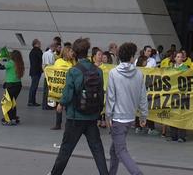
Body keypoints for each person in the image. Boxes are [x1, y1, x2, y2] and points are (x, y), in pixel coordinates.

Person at [50, 37, 108, 175]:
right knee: (97, 149)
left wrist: (61, 104)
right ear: (88, 52)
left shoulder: (74, 71)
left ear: (75, 53)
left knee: (66, 149)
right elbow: (100, 92)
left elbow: (68, 93)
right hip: (92, 116)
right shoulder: (97, 70)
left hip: (75, 117)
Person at [106, 42, 148, 175]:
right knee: (115, 150)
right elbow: (143, 97)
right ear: (131, 57)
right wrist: (143, 115)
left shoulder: (113, 73)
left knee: (120, 150)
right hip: (130, 117)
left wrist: (108, 116)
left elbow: (110, 97)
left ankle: (137, 173)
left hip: (117, 117)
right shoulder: (139, 74)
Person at [3, 49, 24, 124]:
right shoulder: (19, 63)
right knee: (13, 102)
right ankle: (14, 117)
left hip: (10, 85)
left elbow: (1, 67)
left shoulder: (10, 63)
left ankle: (8, 119)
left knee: (8, 103)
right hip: (18, 85)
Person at [42, 38, 62, 109]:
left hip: (45, 74)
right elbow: (53, 65)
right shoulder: (52, 55)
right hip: (50, 75)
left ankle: (44, 105)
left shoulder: (44, 53)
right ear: (53, 47)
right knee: (50, 91)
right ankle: (48, 105)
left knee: (45, 91)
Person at [29, 40, 44, 107]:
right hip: (37, 71)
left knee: (33, 86)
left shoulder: (31, 51)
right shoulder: (38, 51)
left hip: (32, 70)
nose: (40, 44)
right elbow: (42, 59)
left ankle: (31, 101)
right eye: (39, 43)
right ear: (36, 44)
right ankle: (31, 101)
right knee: (34, 87)